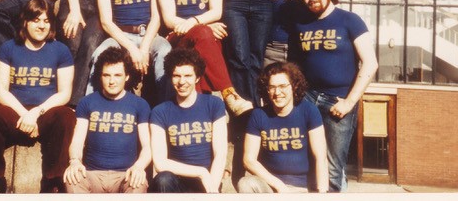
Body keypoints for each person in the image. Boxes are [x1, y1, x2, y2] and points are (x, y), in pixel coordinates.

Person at [0, 0, 76, 194]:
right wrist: (25, 115)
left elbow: (65, 93)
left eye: (46, 21)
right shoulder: (8, 48)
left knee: (66, 116)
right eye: (36, 20)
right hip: (16, 112)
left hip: (45, 112)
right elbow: (1, 91)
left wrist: (36, 114)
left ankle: (53, 181)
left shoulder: (61, 50)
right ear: (25, 22)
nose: (42, 25)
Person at [294, 0, 378, 192]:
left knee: (333, 167)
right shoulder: (302, 25)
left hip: (338, 100)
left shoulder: (350, 20)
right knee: (309, 159)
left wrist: (349, 103)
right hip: (308, 98)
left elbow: (370, 63)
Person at [157, 0, 252, 116]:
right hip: (178, 37)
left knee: (203, 44)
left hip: (202, 36)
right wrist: (201, 25)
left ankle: (199, 114)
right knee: (205, 34)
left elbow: (216, 11)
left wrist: (196, 23)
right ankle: (228, 93)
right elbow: (169, 19)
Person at [64, 47, 151, 193]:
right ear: (100, 76)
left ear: (127, 76)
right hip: (92, 175)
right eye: (106, 75)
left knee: (138, 183)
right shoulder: (87, 102)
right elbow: (77, 142)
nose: (112, 81)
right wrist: (74, 161)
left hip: (126, 175)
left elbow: (147, 147)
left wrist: (139, 166)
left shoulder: (140, 104)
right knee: (72, 178)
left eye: (117, 75)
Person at [238, 62, 328, 193]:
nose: (277, 92)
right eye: (272, 87)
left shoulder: (308, 110)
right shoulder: (258, 115)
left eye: (282, 86)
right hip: (271, 186)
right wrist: (279, 186)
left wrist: (322, 192)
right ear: (266, 89)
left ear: (294, 86)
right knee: (245, 183)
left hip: (303, 188)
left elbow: (321, 157)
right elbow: (249, 160)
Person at [148, 48, 227, 193]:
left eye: (188, 76)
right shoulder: (160, 112)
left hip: (209, 182)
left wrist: (212, 189)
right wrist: (200, 172)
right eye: (176, 76)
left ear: (197, 78)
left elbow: (220, 153)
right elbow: (160, 163)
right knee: (163, 179)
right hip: (176, 182)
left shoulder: (214, 104)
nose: (182, 81)